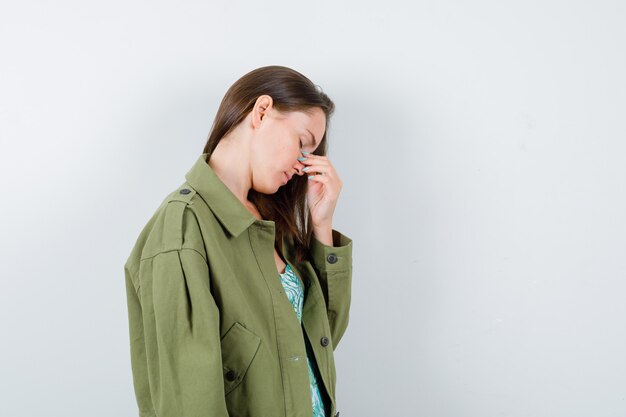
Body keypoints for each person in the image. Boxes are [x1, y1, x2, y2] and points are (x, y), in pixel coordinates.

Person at [124, 65, 353, 417]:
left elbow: (319, 345)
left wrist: (321, 225)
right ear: (261, 111)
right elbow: (190, 402)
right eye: (302, 142)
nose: (303, 163)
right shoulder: (184, 228)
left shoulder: (273, 222)